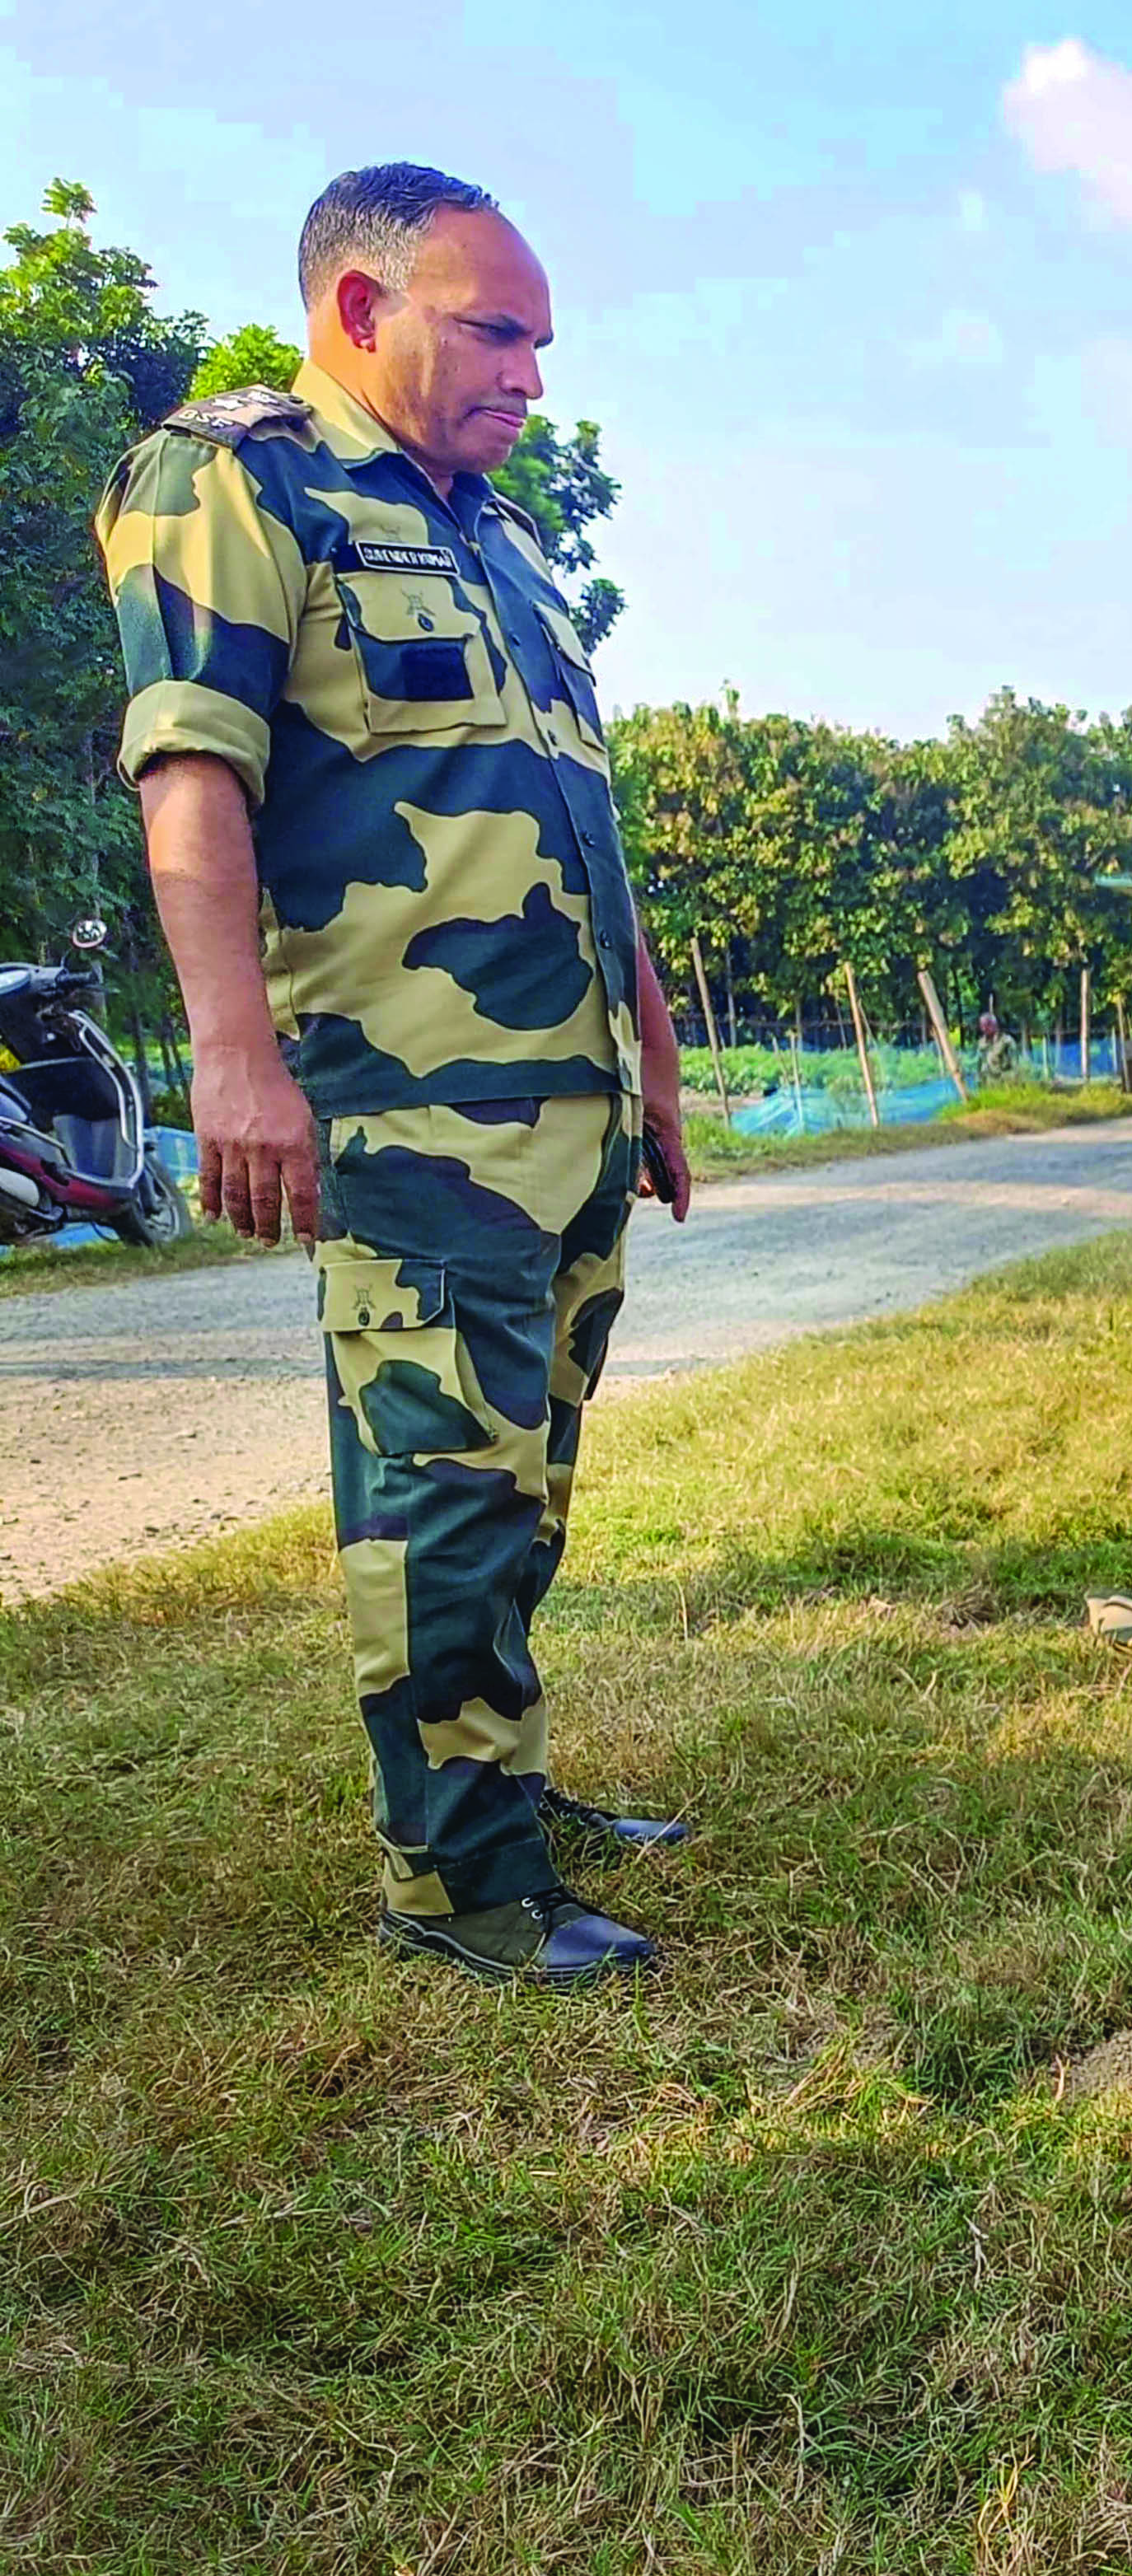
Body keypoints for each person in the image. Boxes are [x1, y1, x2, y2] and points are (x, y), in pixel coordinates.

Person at [97, 163, 694, 1987]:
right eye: (494, 330)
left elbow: (581, 829)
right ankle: (459, 1887)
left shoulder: (507, 542)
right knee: (440, 1488)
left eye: (542, 340)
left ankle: (494, 1782)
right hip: (410, 1106)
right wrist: (231, 1056)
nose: (532, 374)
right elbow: (188, 770)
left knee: (527, 1482)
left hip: (565, 1106)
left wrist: (656, 1072)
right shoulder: (231, 479)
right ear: (362, 310)